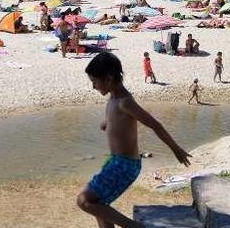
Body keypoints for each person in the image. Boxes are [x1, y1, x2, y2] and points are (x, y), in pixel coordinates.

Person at [77, 53, 191, 228]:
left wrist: (176, 149)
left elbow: (156, 125)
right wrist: (107, 123)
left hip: (125, 165)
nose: (93, 86)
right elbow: (118, 120)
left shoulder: (125, 102)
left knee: (84, 201)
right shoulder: (114, 98)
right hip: (115, 163)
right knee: (98, 205)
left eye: (94, 81)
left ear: (108, 79)